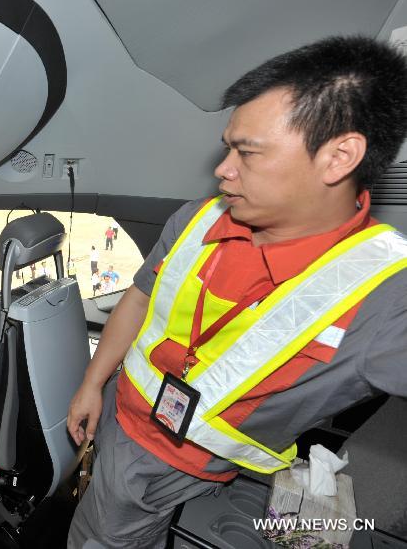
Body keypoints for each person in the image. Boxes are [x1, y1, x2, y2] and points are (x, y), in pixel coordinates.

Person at [67, 36, 407, 548]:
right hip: (121, 414)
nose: (222, 168)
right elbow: (139, 298)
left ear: (339, 158)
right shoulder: (195, 221)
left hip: (185, 461)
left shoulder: (388, 300)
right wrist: (93, 382)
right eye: (229, 146)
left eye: (246, 152)